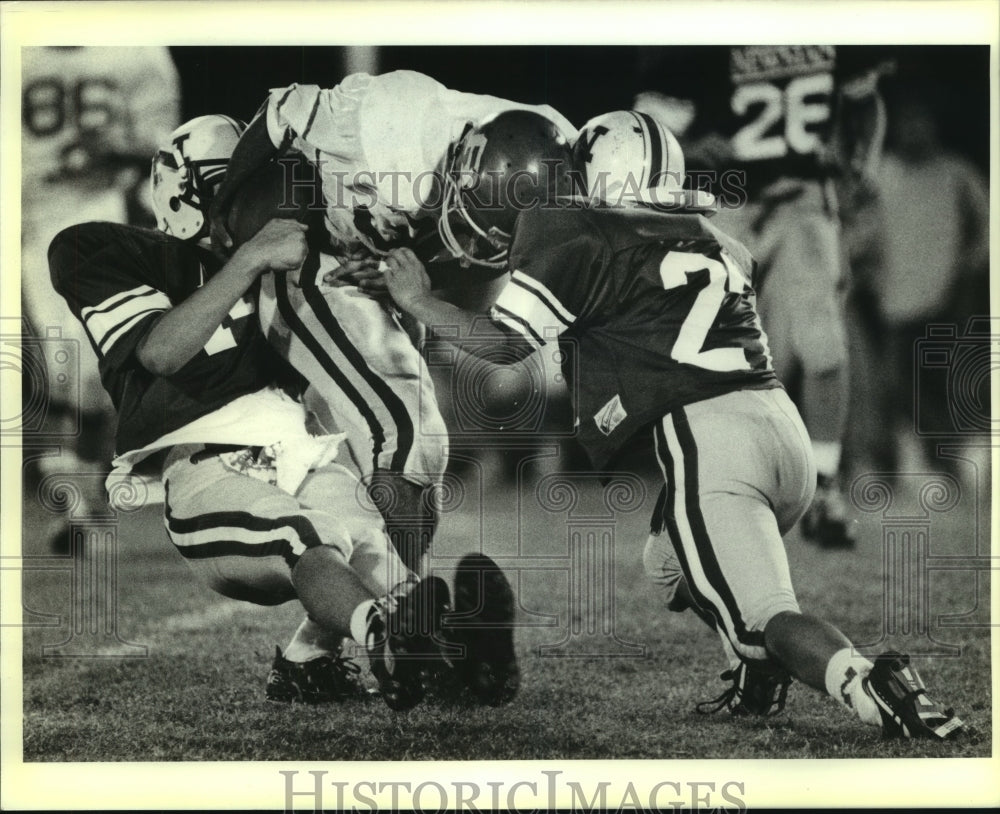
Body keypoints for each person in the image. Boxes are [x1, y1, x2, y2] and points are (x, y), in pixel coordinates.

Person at [378, 110, 966, 740]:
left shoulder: (578, 230)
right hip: (781, 430)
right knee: (665, 564)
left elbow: (502, 346)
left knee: (768, 616)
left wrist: (417, 299)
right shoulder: (717, 238)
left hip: (712, 443)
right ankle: (756, 669)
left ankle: (872, 684)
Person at [48, 114, 451, 712]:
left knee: (379, 531)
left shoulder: (294, 268)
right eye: (239, 189)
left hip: (299, 456)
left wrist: (386, 299)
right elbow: (160, 351)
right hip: (202, 471)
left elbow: (380, 372)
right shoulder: (107, 248)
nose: (263, 203)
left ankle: (323, 662)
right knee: (304, 536)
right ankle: (384, 638)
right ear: (186, 193)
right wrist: (250, 260)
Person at [207, 70, 577, 573]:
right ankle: (392, 616)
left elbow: (508, 344)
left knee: (423, 451)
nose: (482, 248)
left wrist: (415, 295)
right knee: (404, 436)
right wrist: (224, 212)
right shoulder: (394, 129)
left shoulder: (558, 173)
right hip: (311, 240)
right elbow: (282, 108)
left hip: (388, 263)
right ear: (456, 169)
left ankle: (384, 615)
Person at [632, 46, 891, 549]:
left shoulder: (833, 27)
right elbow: (644, 129)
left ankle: (825, 486)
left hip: (802, 198)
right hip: (722, 205)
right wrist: (684, 147)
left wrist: (863, 161)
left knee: (824, 347)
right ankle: (711, 486)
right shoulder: (700, 37)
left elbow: (866, 99)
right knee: (709, 358)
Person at [21, 46, 181, 553]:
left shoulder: (138, 55)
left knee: (79, 376)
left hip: (88, 214)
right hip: (23, 211)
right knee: (53, 373)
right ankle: (81, 510)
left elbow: (165, 151)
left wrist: (116, 148)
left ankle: (82, 510)